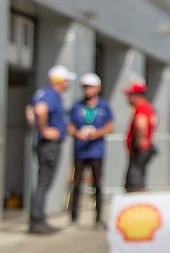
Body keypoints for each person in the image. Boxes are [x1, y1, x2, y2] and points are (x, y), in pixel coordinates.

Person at [28, 64, 75, 235]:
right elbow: (40, 111)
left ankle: (38, 218)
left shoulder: (44, 94)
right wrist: (44, 130)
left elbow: (31, 111)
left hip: (47, 144)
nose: (68, 84)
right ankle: (37, 220)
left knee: (43, 182)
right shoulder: (50, 94)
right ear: (59, 81)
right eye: (66, 80)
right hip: (49, 145)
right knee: (44, 182)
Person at [67, 72, 114, 228]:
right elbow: (70, 126)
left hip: (96, 151)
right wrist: (77, 133)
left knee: (98, 184)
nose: (87, 90)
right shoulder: (77, 105)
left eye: (90, 87)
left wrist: (97, 133)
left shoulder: (104, 106)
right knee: (77, 184)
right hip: (80, 151)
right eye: (85, 87)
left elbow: (110, 126)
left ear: (98, 88)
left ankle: (99, 217)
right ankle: (73, 217)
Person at [123, 81, 157, 193]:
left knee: (134, 182)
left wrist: (140, 141)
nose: (127, 98)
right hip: (143, 148)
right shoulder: (148, 108)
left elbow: (141, 125)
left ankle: (136, 204)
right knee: (139, 178)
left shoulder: (142, 109)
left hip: (140, 149)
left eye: (129, 95)